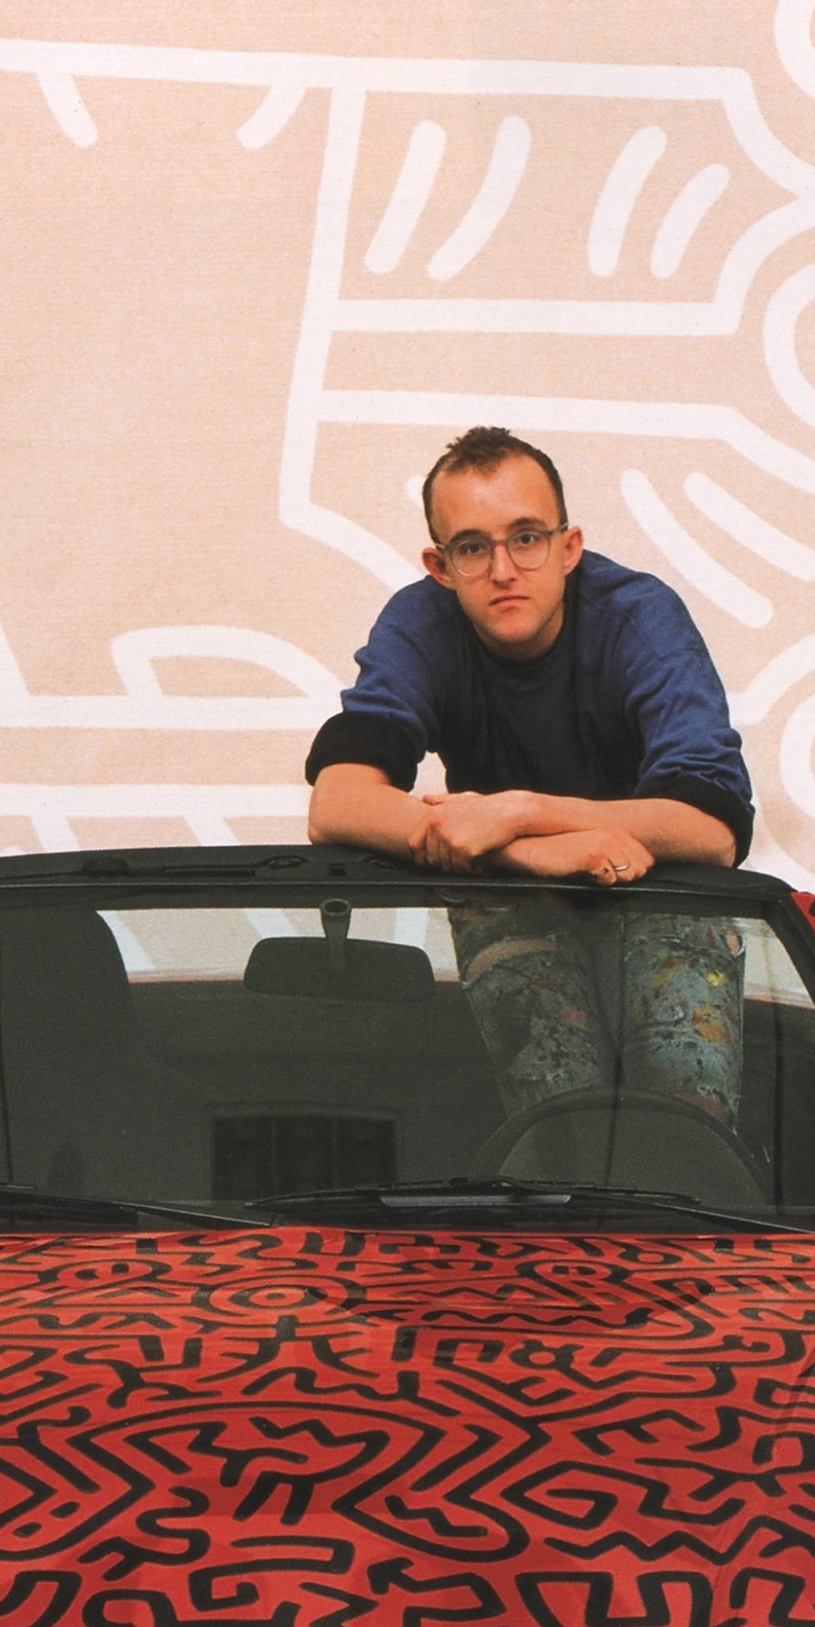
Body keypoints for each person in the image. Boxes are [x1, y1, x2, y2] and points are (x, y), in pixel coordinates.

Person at [304, 425, 753, 1122]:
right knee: (558, 1119)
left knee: (684, 1122)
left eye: (526, 537)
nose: (503, 569)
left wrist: (516, 812)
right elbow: (336, 803)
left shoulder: (639, 617)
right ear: (439, 565)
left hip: (663, 891)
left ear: (568, 547)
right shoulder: (420, 624)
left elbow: (711, 830)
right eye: (472, 547)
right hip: (509, 891)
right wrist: (535, 855)